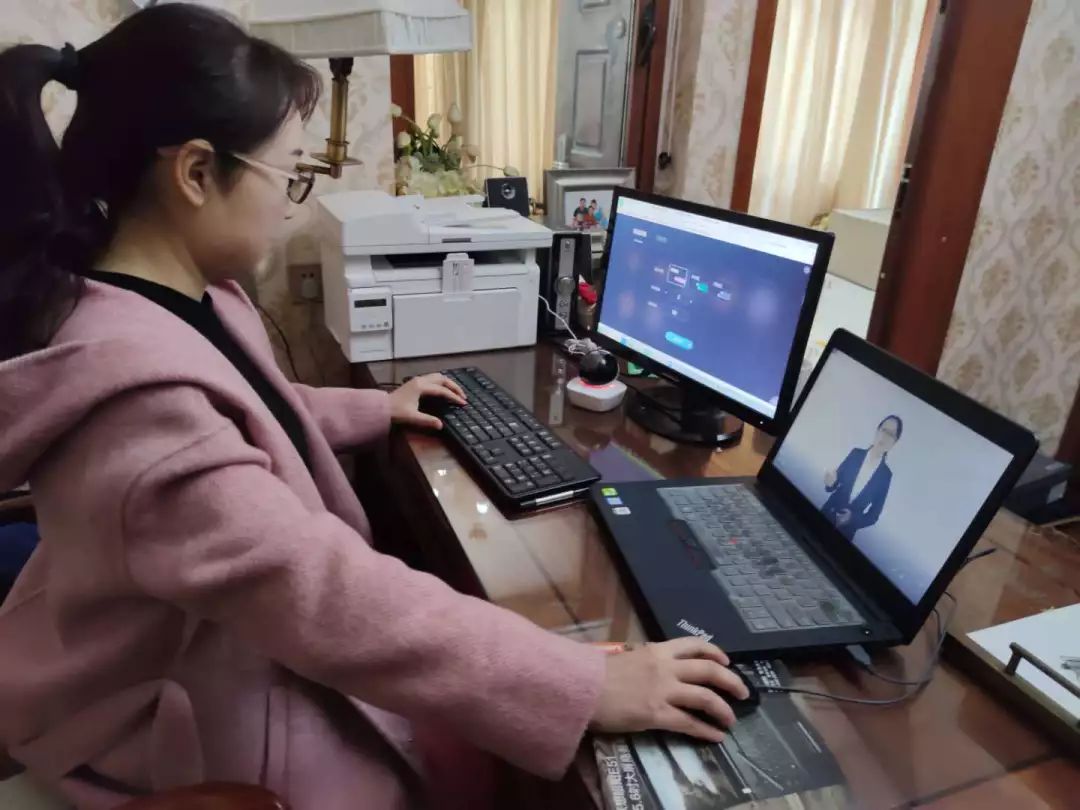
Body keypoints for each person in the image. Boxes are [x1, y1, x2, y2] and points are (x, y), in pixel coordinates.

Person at [0, 6, 749, 810]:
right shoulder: (138, 404)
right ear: (195, 173)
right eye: (288, 176)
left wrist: (373, 409)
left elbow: (247, 413)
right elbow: (321, 592)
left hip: (204, 635)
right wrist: (582, 686)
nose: (291, 205)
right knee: (473, 768)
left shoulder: (179, 296)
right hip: (164, 708)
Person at [822, 415, 903, 540]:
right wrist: (829, 482)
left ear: (894, 442)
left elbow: (873, 516)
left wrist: (852, 518)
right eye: (884, 430)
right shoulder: (856, 454)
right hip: (826, 514)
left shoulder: (886, 476)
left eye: (891, 434)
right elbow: (832, 486)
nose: (885, 436)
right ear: (877, 431)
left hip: (846, 532)